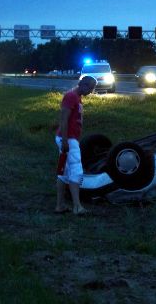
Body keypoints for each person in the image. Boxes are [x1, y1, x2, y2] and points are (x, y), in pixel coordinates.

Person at [55, 76, 97, 215]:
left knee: (64, 173)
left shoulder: (77, 97)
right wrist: (65, 141)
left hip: (70, 138)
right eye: (90, 88)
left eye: (92, 88)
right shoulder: (71, 96)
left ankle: (60, 206)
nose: (91, 91)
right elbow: (64, 119)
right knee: (77, 171)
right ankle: (77, 207)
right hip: (68, 139)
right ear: (82, 84)